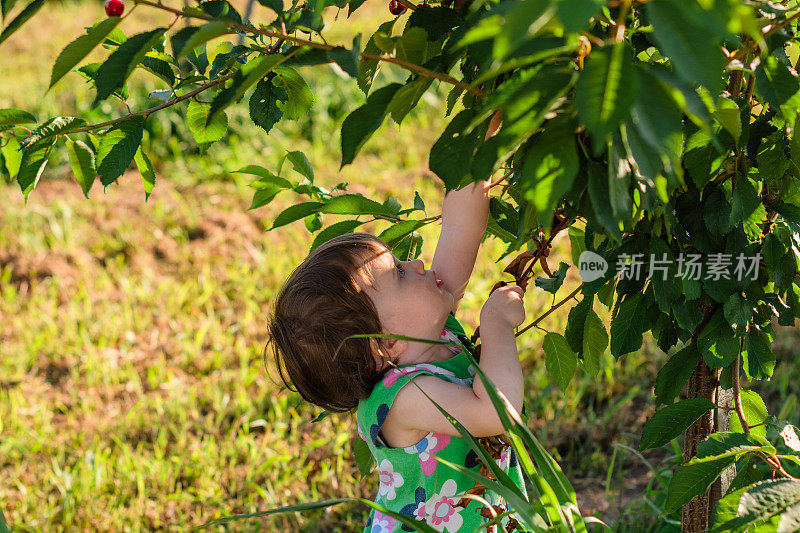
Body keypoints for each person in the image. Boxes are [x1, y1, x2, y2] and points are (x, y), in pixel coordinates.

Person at [265, 111, 529, 532]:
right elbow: (496, 414)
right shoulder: (406, 396)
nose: (417, 260)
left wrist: (481, 140)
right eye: (401, 274)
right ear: (385, 344)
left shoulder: (427, 332)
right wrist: (496, 325)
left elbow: (460, 231)